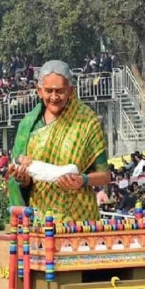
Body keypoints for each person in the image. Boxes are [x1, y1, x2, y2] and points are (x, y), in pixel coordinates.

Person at [8, 60, 111, 222]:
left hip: (80, 219)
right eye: (49, 91)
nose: (54, 97)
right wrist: (22, 177)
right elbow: (25, 179)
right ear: (39, 91)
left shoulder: (87, 122)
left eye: (60, 91)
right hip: (41, 219)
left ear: (71, 91)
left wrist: (82, 180)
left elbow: (105, 176)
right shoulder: (28, 126)